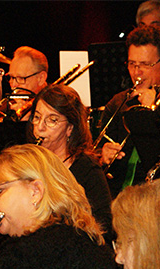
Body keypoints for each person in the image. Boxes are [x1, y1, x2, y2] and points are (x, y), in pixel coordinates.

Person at [98, 25, 160, 197]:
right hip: (119, 195)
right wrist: (103, 154)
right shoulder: (118, 102)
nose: (136, 72)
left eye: (145, 64)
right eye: (132, 64)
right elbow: (96, 150)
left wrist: (157, 110)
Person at [29, 84, 113, 239]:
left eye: (52, 120)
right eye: (37, 117)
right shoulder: (28, 163)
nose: (40, 127)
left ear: (70, 128)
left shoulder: (87, 169)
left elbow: (105, 225)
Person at [5, 46, 49, 120]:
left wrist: (26, 122)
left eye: (21, 78)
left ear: (41, 78)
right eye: (12, 77)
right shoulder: (11, 103)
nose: (13, 85)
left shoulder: (55, 108)